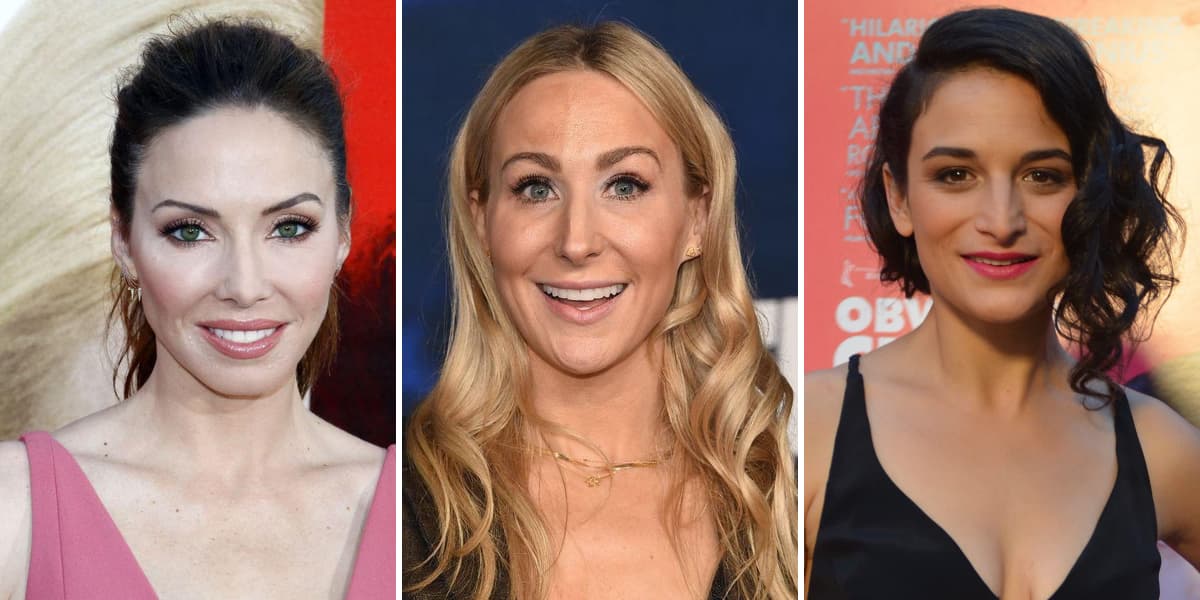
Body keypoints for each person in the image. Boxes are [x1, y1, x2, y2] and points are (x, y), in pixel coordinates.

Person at [805, 7, 1200, 598]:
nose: (1001, 220)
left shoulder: (1157, 447)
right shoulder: (810, 432)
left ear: (1090, 193)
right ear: (900, 198)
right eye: (955, 174)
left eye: (1042, 176)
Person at [403, 22, 797, 600]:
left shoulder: (787, 507)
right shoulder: (395, 508)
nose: (577, 241)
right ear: (482, 221)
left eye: (625, 186)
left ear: (697, 219)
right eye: (536, 188)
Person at [0, 20, 394, 598]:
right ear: (124, 242)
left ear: (342, 234)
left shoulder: (421, 516)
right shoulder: (16, 508)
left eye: (289, 227)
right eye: (189, 231)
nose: (244, 285)